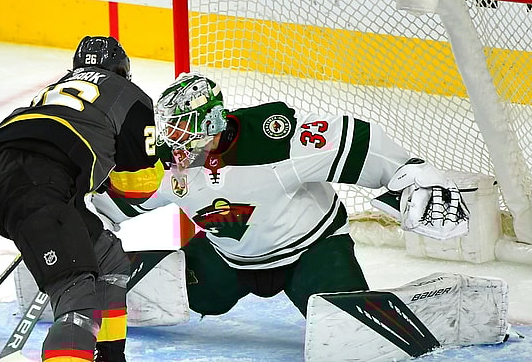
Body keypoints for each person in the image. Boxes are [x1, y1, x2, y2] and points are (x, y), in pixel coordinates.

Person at [97, 71, 470, 319]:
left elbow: (353, 139)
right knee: (181, 293)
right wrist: (85, 220)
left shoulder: (271, 140)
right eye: (171, 127)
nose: (175, 138)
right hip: (227, 259)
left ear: (212, 120)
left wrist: (409, 174)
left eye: (185, 126)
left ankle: (430, 308)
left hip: (310, 251)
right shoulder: (166, 161)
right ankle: (87, 281)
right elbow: (123, 200)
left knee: (342, 319)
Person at [0, 36, 164, 362]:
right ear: (123, 71)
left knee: (109, 260)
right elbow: (138, 188)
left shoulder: (54, 89)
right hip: (40, 184)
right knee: (76, 299)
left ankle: (110, 357)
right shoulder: (130, 95)